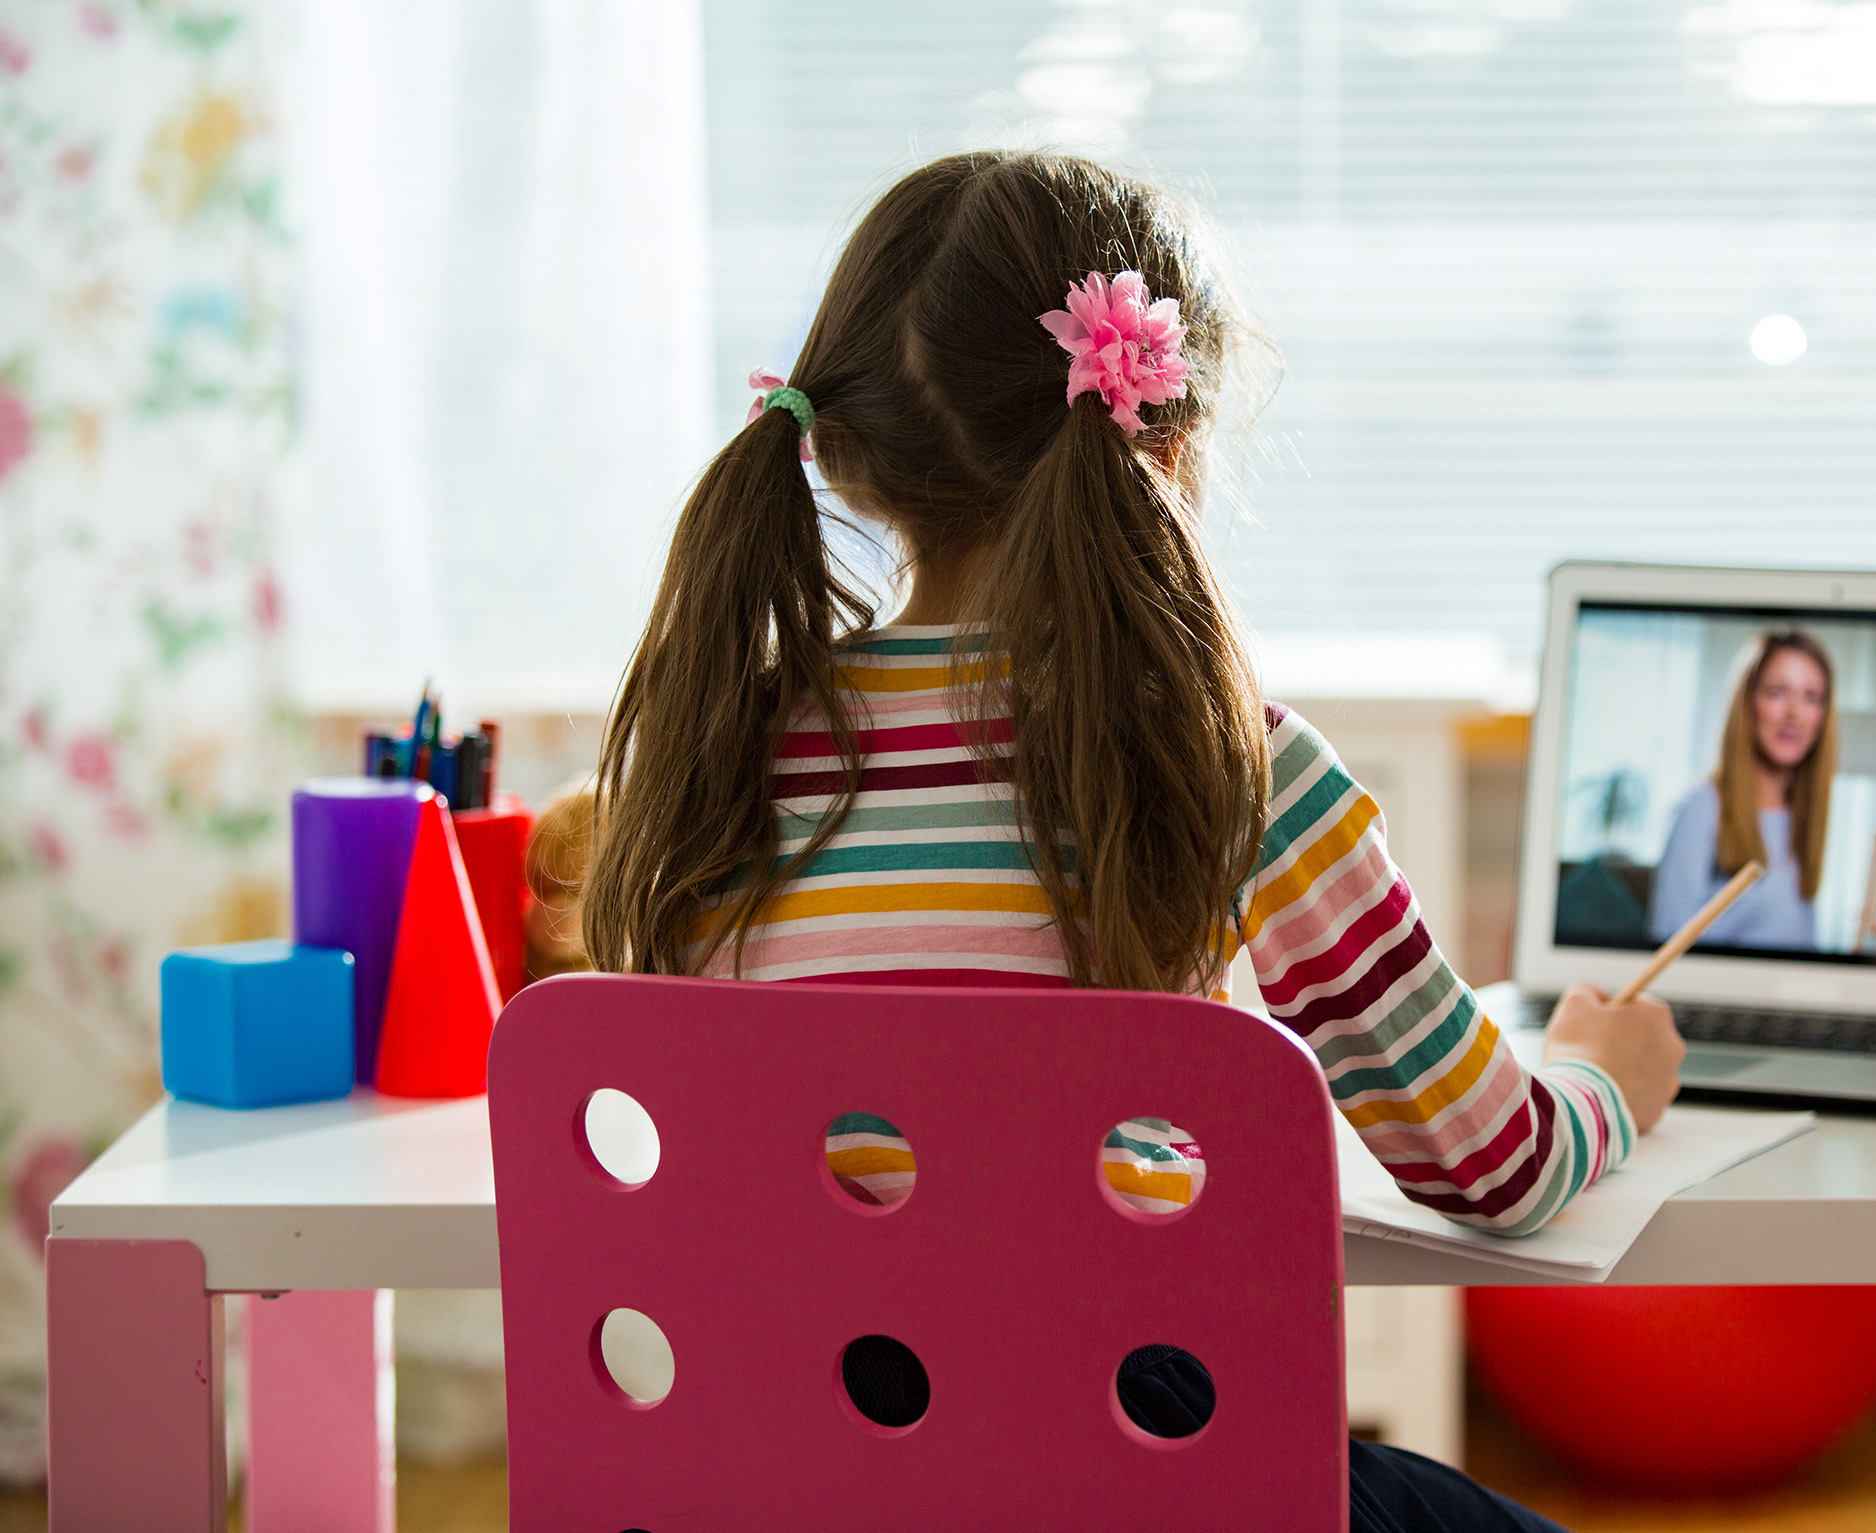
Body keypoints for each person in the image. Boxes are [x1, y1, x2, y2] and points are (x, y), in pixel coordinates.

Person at [582, 150, 1682, 1532]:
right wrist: (1598, 1077)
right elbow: (1491, 1167)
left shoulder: (713, 752)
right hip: (1134, 1471)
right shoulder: (1235, 759)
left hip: (776, 1472)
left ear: (841, 444)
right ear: (1169, 432)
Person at [1649, 631, 1838, 949]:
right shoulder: (1701, 807)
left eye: (1811, 697)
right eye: (1777, 692)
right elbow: (1667, 942)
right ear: (1748, 702)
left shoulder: (1803, 816)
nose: (1794, 713)